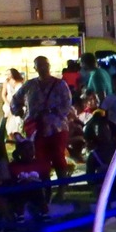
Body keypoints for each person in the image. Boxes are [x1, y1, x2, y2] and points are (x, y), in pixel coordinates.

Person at [19, 56, 76, 191]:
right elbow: (16, 100)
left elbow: (67, 104)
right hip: (36, 129)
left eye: (45, 65)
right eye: (39, 65)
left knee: (58, 156)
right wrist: (22, 114)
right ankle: (45, 189)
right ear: (35, 68)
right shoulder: (30, 85)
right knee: (40, 158)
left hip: (57, 127)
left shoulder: (60, 84)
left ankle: (62, 188)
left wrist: (53, 113)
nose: (43, 68)